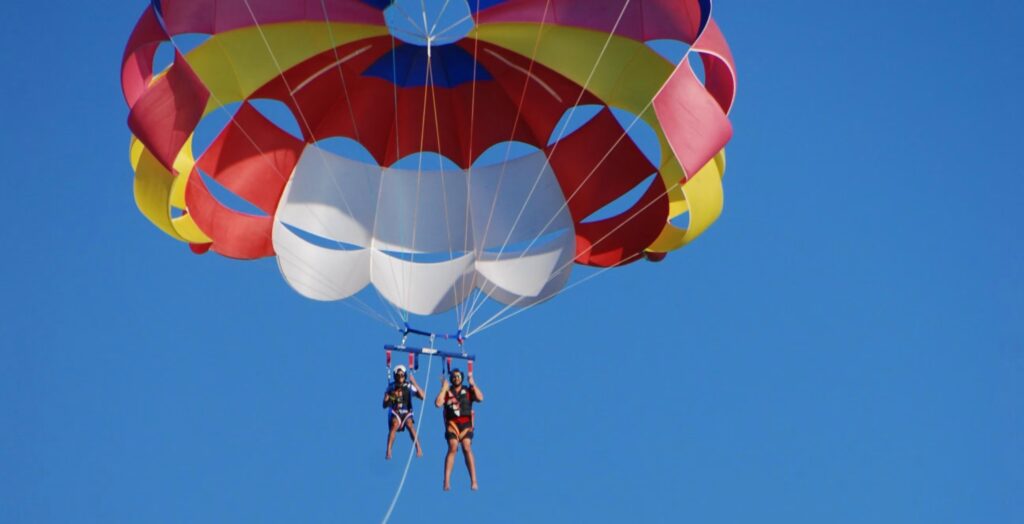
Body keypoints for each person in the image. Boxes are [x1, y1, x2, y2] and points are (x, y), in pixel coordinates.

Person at [435, 367, 483, 490]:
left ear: (461, 378)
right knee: (453, 446)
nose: (456, 378)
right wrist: (444, 388)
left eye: (458, 376)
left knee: (466, 447)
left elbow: (480, 398)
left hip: (466, 424)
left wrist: (473, 383)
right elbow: (438, 404)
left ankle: (474, 481)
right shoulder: (447, 392)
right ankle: (446, 481)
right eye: (454, 377)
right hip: (453, 425)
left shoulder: (468, 391)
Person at [383, 365, 424, 460]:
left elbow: (423, 396)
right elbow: (384, 405)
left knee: (410, 424)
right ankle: (389, 449)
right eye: (398, 375)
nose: (400, 377)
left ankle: (418, 447)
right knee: (394, 425)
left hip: (406, 412)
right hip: (395, 412)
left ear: (404, 376)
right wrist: (386, 399)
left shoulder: (409, 386)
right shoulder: (391, 387)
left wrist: (414, 382)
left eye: (402, 375)